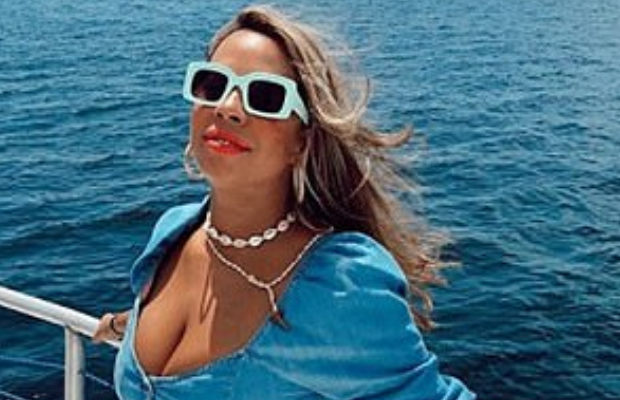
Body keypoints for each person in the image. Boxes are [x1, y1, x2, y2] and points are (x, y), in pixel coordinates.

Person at [94, 4, 475, 399]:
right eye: (213, 85)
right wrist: (127, 324)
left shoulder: (339, 282)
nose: (227, 107)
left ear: (302, 141)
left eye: (265, 96)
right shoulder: (174, 231)